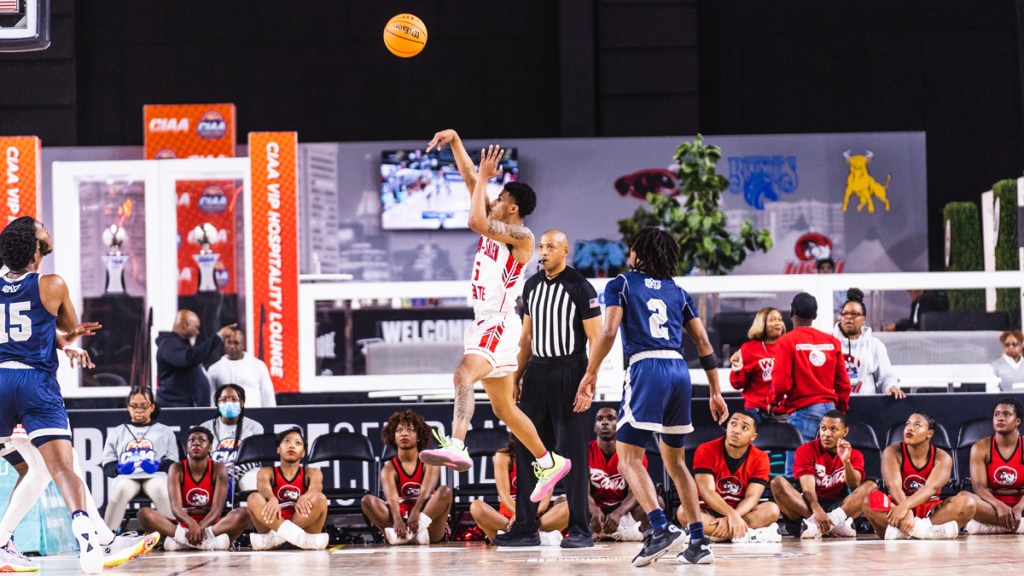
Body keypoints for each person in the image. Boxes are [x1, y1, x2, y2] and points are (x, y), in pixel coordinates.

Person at [418, 132, 569, 505]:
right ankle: (548, 462)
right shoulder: (498, 221)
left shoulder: (522, 236)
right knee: (504, 409)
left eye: (501, 198)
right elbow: (472, 180)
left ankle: (457, 444)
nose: (494, 199)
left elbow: (474, 220)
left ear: (513, 208)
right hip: (486, 322)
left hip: (499, 323)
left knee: (462, 374)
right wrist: (455, 141)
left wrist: (486, 178)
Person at [0, 218, 158, 572]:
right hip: (33, 384)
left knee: (39, 471)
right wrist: (66, 339)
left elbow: (12, 329)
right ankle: (91, 537)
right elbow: (71, 325)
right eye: (42, 228)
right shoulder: (51, 284)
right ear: (33, 246)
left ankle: (103, 540)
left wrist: (57, 342)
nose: (47, 230)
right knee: (61, 467)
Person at [579, 226, 729, 567]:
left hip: (646, 368)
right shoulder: (678, 290)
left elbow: (609, 330)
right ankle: (698, 541)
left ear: (638, 254)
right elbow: (704, 345)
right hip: (680, 371)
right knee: (676, 463)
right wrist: (716, 391)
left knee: (626, 458)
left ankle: (660, 528)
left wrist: (590, 373)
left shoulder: (622, 283)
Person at [498, 228, 602, 548]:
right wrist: (516, 376)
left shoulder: (581, 287)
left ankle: (581, 529)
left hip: (571, 370)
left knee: (572, 453)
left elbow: (597, 339)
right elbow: (526, 338)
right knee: (531, 449)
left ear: (565, 251)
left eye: (550, 246)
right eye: (541, 246)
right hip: (538, 373)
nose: (543, 251)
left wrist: (589, 382)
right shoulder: (531, 286)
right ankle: (526, 526)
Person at [769, 292, 851, 476]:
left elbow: (781, 383)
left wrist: (772, 402)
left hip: (804, 412)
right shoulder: (831, 341)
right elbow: (844, 384)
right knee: (827, 472)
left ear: (791, 313)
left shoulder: (786, 341)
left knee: (797, 474)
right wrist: (839, 411)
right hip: (830, 412)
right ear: (814, 316)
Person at [861, 412, 975, 539]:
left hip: (929, 510)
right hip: (897, 508)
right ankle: (928, 533)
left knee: (968, 502)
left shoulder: (942, 457)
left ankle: (906, 533)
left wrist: (906, 507)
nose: (910, 428)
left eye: (917, 425)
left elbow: (929, 489)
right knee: (868, 500)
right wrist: (906, 510)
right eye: (907, 424)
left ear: (929, 433)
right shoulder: (892, 452)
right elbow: (894, 487)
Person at [138, 426, 250, 550]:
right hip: (183, 526)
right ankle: (207, 543)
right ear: (187, 446)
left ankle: (181, 542)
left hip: (212, 526)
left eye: (202, 440)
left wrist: (200, 527)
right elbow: (175, 507)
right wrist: (191, 524)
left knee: (244, 513)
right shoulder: (176, 468)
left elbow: (218, 508)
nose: (196, 442)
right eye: (191, 440)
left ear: (210, 448)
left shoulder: (218, 468)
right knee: (144, 514)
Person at [769, 410, 875, 539]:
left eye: (833, 429)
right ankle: (827, 526)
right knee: (777, 482)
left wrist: (846, 461)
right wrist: (817, 511)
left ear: (845, 432)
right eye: (823, 429)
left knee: (871, 486)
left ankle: (825, 525)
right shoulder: (805, 450)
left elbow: (854, 486)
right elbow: (807, 489)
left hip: (838, 507)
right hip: (807, 509)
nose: (826, 434)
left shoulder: (855, 454)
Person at [361, 409, 453, 545]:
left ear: (419, 436)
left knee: (445, 491)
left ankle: (415, 532)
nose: (404, 433)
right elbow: (391, 498)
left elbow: (427, 492)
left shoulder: (429, 461)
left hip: (427, 522)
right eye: (399, 430)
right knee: (367, 500)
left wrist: (416, 513)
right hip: (401, 520)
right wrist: (397, 519)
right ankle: (400, 534)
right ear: (393, 436)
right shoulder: (388, 468)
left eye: (410, 430)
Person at [692, 411, 781, 543]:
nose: (736, 430)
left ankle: (716, 534)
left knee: (772, 510)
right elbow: (707, 492)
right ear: (727, 426)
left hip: (742, 512)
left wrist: (733, 516)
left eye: (744, 428)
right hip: (709, 510)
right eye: (733, 424)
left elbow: (752, 497)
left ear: (753, 436)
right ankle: (746, 534)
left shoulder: (760, 458)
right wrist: (731, 514)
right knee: (684, 512)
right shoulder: (705, 450)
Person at [102, 386, 179, 531]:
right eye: (134, 406)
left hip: (154, 476)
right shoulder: (118, 431)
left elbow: (173, 463)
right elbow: (107, 467)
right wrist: (119, 468)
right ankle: (107, 536)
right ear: (128, 407)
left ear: (152, 407)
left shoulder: (164, 431)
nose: (139, 410)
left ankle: (174, 534)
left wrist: (158, 465)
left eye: (144, 406)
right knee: (120, 491)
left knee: (161, 490)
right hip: (128, 477)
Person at [246, 427, 328, 550]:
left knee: (320, 498)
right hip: (274, 523)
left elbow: (316, 488)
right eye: (287, 441)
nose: (292, 446)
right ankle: (301, 540)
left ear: (303, 452)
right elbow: (263, 487)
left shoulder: (312, 472)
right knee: (253, 498)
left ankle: (276, 538)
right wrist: (272, 499)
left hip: (303, 526)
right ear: (278, 449)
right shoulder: (266, 471)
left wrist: (305, 497)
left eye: (298, 443)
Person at [469, 442, 568, 544]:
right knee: (476, 507)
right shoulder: (503, 455)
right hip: (507, 520)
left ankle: (523, 535)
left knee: (566, 505)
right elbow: (504, 496)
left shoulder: (547, 459)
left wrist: (526, 517)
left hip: (536, 520)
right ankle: (534, 536)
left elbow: (544, 503)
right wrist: (520, 515)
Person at [832, 288, 906, 399]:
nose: (848, 317)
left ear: (863, 319)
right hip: (836, 407)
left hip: (866, 406)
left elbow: (886, 376)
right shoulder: (829, 344)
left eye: (854, 314)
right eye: (844, 314)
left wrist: (891, 387)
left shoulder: (875, 345)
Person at [965, 398, 1024, 534]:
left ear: (1017, 421)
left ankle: (994, 526)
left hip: (1021, 505)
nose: (1000, 418)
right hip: (991, 506)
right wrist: (999, 506)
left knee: (973, 526)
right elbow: (979, 488)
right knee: (964, 498)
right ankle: (1018, 526)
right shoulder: (980, 447)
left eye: (1006, 414)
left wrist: (1019, 508)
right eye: (996, 414)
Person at [588, 407, 647, 542]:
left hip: (623, 509)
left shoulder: (633, 452)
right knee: (563, 503)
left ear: (619, 424)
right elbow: (582, 492)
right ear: (594, 427)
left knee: (657, 502)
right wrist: (594, 510)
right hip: (596, 508)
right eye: (599, 419)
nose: (604, 423)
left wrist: (619, 513)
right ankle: (596, 527)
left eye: (611, 418)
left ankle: (621, 528)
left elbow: (637, 492)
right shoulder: (585, 451)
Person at [155, 309, 233, 408]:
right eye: (196, 327)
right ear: (185, 325)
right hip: (176, 410)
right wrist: (218, 337)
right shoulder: (169, 344)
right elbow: (189, 358)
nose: (198, 332)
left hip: (186, 409)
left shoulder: (180, 346)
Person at [197, 383, 265, 494]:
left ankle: (251, 510)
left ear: (242, 403)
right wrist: (220, 474)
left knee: (252, 479)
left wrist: (231, 474)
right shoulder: (205, 427)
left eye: (234, 399)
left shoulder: (254, 427)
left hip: (244, 472)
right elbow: (202, 458)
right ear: (218, 403)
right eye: (224, 400)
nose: (229, 403)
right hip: (214, 472)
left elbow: (255, 460)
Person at [729, 307, 786, 419]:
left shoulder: (788, 346)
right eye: (772, 320)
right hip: (756, 410)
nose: (778, 323)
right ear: (762, 323)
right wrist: (737, 367)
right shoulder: (748, 348)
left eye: (780, 319)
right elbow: (737, 384)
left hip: (785, 411)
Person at [207, 327, 277, 407]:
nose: (232, 346)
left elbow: (268, 396)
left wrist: (271, 416)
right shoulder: (214, 369)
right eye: (229, 342)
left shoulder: (258, 366)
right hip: (226, 417)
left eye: (236, 343)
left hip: (255, 415)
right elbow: (211, 399)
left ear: (243, 345)